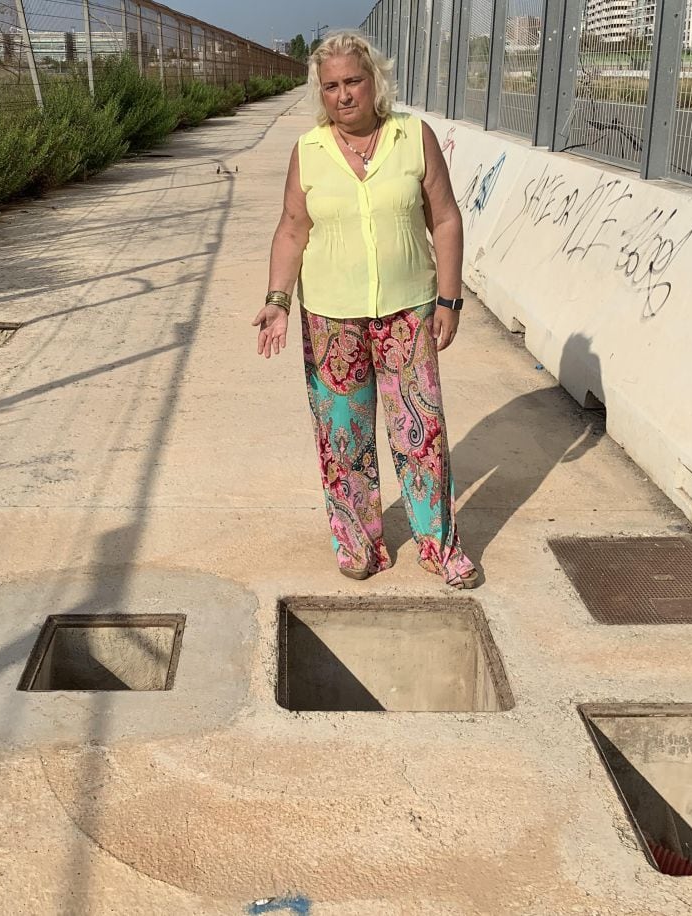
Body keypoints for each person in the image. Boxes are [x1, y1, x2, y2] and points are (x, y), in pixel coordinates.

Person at [251, 30, 476, 589]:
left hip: (408, 311)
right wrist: (278, 300)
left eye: (353, 81)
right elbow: (292, 229)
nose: (344, 94)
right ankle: (358, 543)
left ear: (375, 80)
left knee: (421, 432)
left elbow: (445, 218)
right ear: (320, 92)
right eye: (331, 86)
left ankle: (438, 545)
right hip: (331, 318)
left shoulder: (412, 136)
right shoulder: (309, 150)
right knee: (343, 438)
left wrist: (449, 298)